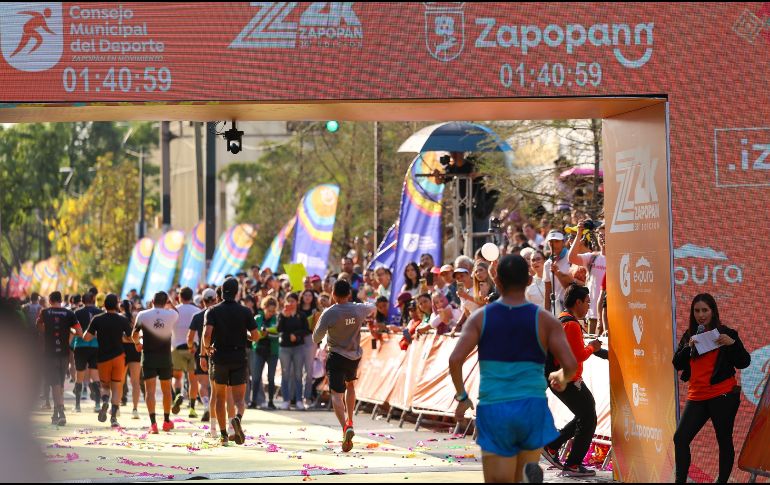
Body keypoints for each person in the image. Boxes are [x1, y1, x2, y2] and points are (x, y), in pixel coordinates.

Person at [449, 255, 577, 483]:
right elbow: (570, 365)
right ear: (528, 280)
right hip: (532, 407)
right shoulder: (546, 320)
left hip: (495, 407)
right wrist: (561, 376)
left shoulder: (480, 318)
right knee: (524, 471)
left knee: (499, 479)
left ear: (497, 281)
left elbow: (455, 359)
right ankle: (527, 475)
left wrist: (462, 397)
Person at [672, 293, 751, 483]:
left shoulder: (726, 333)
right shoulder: (690, 334)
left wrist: (732, 344)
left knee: (724, 439)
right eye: (697, 311)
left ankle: (722, 480)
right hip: (697, 396)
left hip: (722, 394)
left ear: (713, 311)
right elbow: (677, 364)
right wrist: (687, 348)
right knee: (680, 438)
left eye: (705, 310)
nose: (701, 315)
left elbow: (744, 362)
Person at [541, 284, 603, 477]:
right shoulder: (572, 324)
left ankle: (552, 446)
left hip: (562, 378)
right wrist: (592, 347)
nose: (589, 307)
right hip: (567, 379)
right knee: (588, 417)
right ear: (578, 302)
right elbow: (578, 356)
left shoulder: (562, 319)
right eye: (587, 302)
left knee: (585, 415)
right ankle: (573, 464)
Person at [312, 280, 376, 453]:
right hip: (353, 356)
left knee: (336, 394)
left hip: (336, 356)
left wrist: (325, 326)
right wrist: (368, 295)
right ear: (349, 294)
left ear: (333, 294)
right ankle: (351, 421)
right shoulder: (359, 309)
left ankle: (345, 427)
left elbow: (316, 338)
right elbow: (373, 306)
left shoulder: (329, 312)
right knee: (350, 386)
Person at [202, 278, 260, 446]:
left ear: (221, 292)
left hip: (219, 357)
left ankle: (223, 436)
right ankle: (237, 418)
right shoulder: (245, 311)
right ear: (237, 292)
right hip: (239, 357)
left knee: (220, 397)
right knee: (239, 399)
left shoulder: (212, 311)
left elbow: (207, 334)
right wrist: (245, 335)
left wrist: (207, 347)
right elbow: (255, 336)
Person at [82, 294, 133, 428]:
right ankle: (114, 418)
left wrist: (96, 334)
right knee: (116, 387)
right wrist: (122, 337)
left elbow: (86, 337)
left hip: (103, 358)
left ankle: (105, 400)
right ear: (117, 304)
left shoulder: (97, 319)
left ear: (104, 304)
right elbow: (131, 337)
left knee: (105, 387)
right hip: (119, 357)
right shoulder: (122, 319)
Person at [133, 292, 178, 434]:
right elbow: (177, 312)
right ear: (166, 301)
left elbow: (134, 334)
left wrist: (137, 344)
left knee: (150, 391)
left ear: (152, 300)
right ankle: (166, 421)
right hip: (165, 357)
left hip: (148, 357)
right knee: (166, 391)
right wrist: (170, 304)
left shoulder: (142, 315)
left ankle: (153, 424)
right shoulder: (171, 314)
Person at [37, 291, 82, 426]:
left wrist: (47, 331)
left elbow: (38, 326)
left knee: (55, 383)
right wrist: (70, 332)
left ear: (50, 300)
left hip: (50, 353)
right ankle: (56, 413)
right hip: (64, 353)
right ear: (61, 300)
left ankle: (61, 412)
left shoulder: (45, 312)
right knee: (60, 383)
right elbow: (79, 332)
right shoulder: (69, 313)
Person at [568, 221, 606, 334]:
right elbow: (571, 258)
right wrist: (579, 233)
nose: (602, 238)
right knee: (593, 344)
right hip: (592, 314)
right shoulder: (593, 257)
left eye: (605, 235)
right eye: (600, 235)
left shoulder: (618, 259)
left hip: (610, 314)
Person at [187, 288, 217, 423]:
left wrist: (190, 347)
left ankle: (206, 405)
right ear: (216, 299)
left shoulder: (197, 316)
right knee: (217, 384)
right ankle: (216, 411)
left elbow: (190, 336)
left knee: (202, 383)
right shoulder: (220, 314)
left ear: (202, 301)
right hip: (218, 351)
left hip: (202, 352)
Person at [172, 287, 200, 418]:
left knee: (177, 377)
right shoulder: (197, 311)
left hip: (177, 347)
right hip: (193, 347)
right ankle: (192, 408)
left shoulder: (174, 311)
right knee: (193, 379)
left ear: (179, 296)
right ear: (191, 296)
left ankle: (178, 395)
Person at [72, 292, 102, 413]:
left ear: (82, 301)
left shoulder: (77, 313)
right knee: (95, 375)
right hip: (96, 346)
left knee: (79, 375)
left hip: (80, 345)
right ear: (93, 300)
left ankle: (77, 406)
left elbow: (74, 329)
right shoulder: (100, 312)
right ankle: (98, 404)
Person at [277, 293, 306, 410]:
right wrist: (284, 317)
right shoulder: (282, 314)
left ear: (297, 302)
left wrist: (296, 335)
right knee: (285, 374)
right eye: (288, 301)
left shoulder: (301, 315)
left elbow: (306, 330)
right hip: (285, 348)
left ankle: (299, 400)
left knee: (298, 374)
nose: (290, 303)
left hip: (298, 347)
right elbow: (279, 329)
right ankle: (286, 400)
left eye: (292, 301)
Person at [250, 296, 280, 410]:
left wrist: (267, 333)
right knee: (256, 377)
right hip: (258, 350)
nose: (271, 313)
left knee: (271, 378)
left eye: (273, 311)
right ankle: (253, 401)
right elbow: (254, 334)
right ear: (264, 308)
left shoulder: (276, 319)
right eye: (269, 310)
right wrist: (262, 334)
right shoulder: (257, 318)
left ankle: (271, 401)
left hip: (272, 351)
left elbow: (278, 334)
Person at [120, 300, 143, 420]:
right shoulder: (136, 316)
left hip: (122, 350)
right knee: (135, 382)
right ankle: (135, 409)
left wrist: (126, 339)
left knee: (119, 380)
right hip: (135, 349)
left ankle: (116, 408)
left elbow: (121, 336)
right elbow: (139, 334)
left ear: (121, 307)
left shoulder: (119, 317)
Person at [543, 230, 573, 315]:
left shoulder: (571, 257)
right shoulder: (547, 264)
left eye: (557, 241)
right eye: (551, 241)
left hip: (573, 304)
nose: (553, 244)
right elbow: (547, 291)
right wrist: (546, 314)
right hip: (557, 306)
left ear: (563, 242)